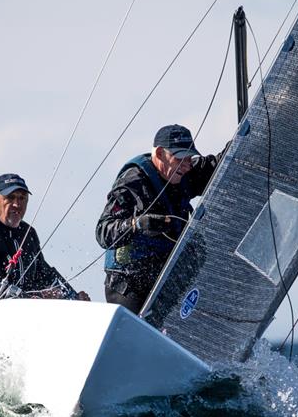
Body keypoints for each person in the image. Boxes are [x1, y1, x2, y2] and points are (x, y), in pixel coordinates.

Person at [96, 124, 226, 314]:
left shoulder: (186, 173)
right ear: (159, 154)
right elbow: (103, 232)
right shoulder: (132, 183)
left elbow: (222, 162)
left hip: (165, 276)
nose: (187, 164)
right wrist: (138, 224)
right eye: (180, 158)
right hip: (129, 283)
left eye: (190, 158)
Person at [0, 173, 90, 300]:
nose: (17, 204)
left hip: (23, 309)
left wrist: (73, 296)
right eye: (10, 198)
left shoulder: (28, 232)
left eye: (22, 198)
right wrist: (37, 297)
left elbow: (44, 274)